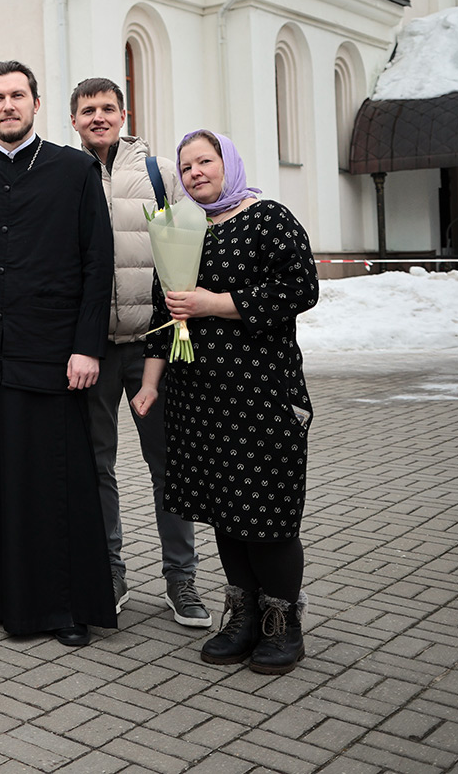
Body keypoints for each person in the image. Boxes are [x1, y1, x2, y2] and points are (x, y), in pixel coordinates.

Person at [0, 61, 116, 647]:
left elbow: (98, 264)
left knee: (53, 482)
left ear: (36, 104)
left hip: (52, 355)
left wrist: (87, 347)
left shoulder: (74, 170)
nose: (8, 105)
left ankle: (63, 606)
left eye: (18, 95)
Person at [134, 130, 319, 675]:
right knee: (225, 509)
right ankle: (243, 614)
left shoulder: (268, 219)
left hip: (261, 396)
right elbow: (163, 313)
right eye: (186, 167)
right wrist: (149, 384)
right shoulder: (183, 229)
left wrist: (215, 303)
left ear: (227, 163)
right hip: (198, 400)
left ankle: (283, 623)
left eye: (205, 161)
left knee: (268, 511)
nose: (195, 173)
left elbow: (301, 288)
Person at [69, 78, 210, 629]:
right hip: (93, 350)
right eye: (88, 110)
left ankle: (181, 577)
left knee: (168, 465)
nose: (99, 117)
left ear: (123, 114)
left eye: (108, 108)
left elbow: (192, 241)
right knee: (96, 466)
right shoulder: (67, 172)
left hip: (155, 345)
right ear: (73, 120)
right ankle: (109, 571)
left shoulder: (158, 173)